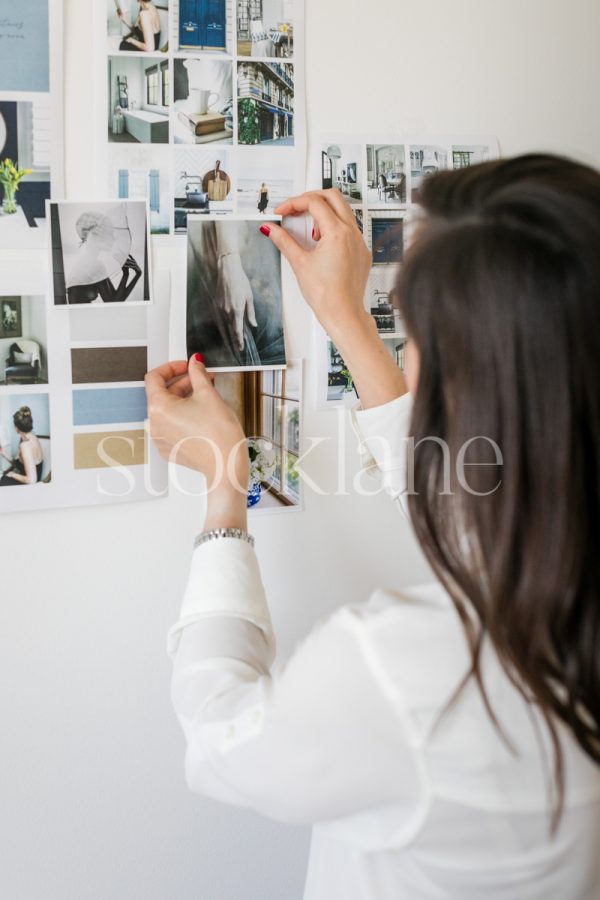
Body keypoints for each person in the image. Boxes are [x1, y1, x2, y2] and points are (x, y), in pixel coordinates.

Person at [145, 155, 600, 899]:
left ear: (465, 388)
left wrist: (226, 488)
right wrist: (346, 318)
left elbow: (220, 738)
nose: (409, 358)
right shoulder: (557, 572)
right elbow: (464, 514)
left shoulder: (412, 676)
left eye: (412, 334)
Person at [64, 208, 143, 304]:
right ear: (96, 235)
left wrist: (129, 275)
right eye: (109, 234)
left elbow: (114, 300)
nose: (113, 238)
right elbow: (114, 304)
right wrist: (134, 275)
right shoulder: (94, 265)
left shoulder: (86, 261)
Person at [0, 406, 44, 486]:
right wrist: (4, 454)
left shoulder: (25, 446)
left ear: (16, 428)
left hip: (30, 484)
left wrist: (13, 474)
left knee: (2, 480)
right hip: (26, 476)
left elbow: (31, 480)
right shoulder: (31, 436)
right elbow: (20, 464)